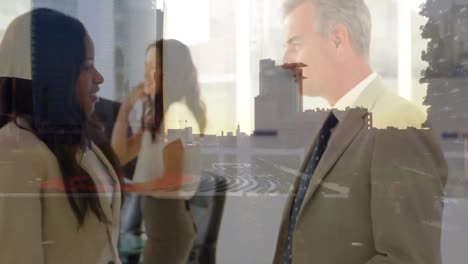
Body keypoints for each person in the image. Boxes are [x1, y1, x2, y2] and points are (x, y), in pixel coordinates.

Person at [273, 0, 447, 263]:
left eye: (295, 44)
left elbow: (409, 259)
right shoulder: (335, 124)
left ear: (338, 40)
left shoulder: (397, 124)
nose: (285, 61)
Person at [0, 8, 122, 264]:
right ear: (54, 76)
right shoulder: (15, 151)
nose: (99, 78)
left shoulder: (78, 139)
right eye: (87, 67)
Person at [111, 39, 207, 264]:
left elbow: (173, 181)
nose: (146, 71)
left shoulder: (176, 113)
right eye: (145, 64)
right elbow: (119, 156)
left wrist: (130, 187)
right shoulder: (161, 118)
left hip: (169, 228)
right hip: (163, 226)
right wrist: (125, 109)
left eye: (154, 65)